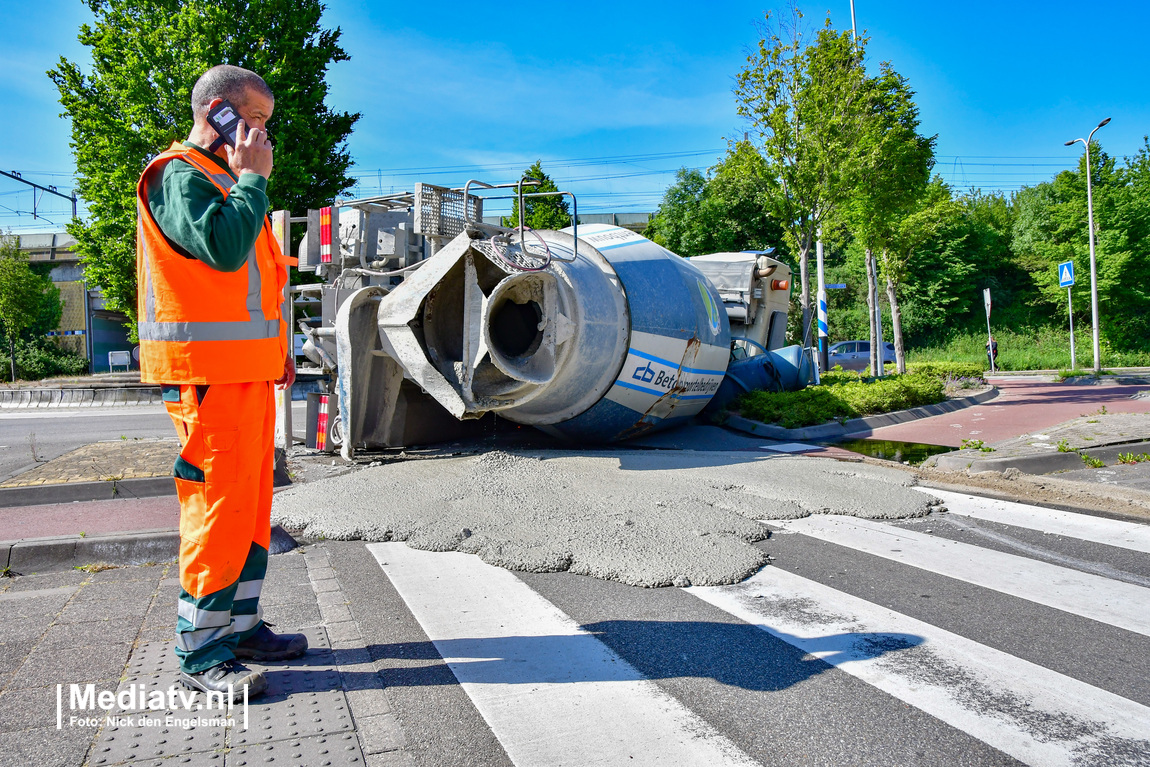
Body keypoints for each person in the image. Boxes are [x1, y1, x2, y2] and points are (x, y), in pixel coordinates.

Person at [136, 64, 306, 700]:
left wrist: (277, 351)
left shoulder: (226, 182)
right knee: (215, 510)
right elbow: (225, 249)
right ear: (219, 114)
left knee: (248, 510)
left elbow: (251, 287)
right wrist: (253, 180)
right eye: (253, 120)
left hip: (246, 375)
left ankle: (240, 628)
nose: (262, 134)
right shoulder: (178, 174)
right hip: (206, 377)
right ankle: (202, 652)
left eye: (264, 122)